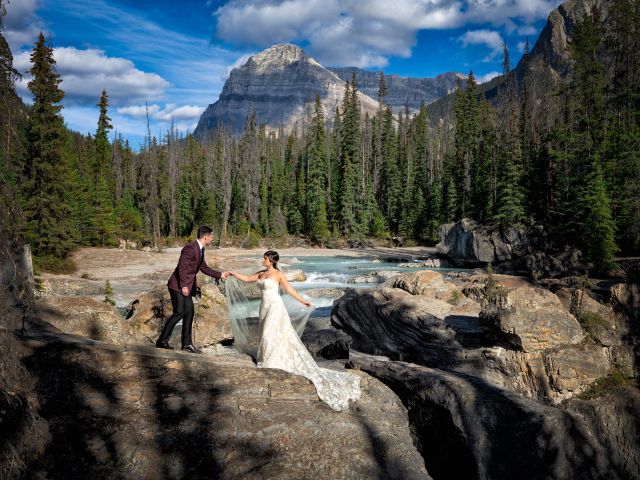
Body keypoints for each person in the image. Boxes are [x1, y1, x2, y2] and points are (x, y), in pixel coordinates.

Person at [229, 250, 360, 411]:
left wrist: (304, 301)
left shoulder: (278, 275)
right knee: (265, 332)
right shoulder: (260, 273)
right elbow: (247, 279)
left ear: (271, 260)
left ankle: (272, 361)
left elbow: (289, 290)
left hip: (275, 307)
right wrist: (233, 273)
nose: (262, 261)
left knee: (271, 333)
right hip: (263, 307)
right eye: (263, 258)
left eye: (264, 259)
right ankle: (266, 357)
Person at [156, 226, 230, 353]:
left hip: (187, 286)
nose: (212, 238)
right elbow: (182, 267)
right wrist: (184, 285)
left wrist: (220, 275)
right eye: (211, 236)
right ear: (205, 237)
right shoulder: (190, 248)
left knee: (189, 313)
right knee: (179, 312)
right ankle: (162, 341)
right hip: (178, 286)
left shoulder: (201, 249)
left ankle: (187, 344)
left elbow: (204, 268)